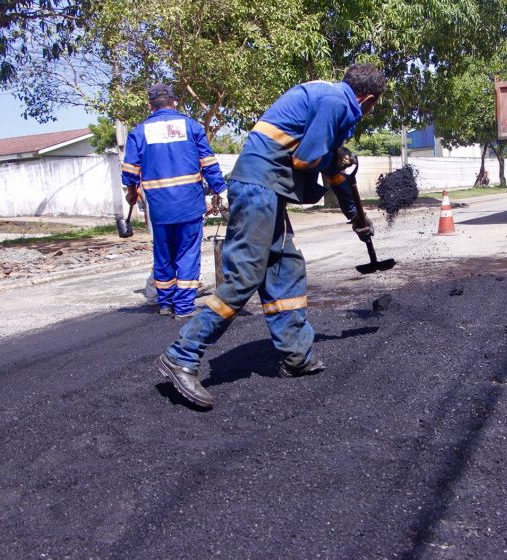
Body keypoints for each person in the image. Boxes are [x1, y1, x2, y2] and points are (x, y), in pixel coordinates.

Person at [155, 64, 387, 409]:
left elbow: (335, 173)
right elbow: (308, 158)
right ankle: (182, 355)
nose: (369, 111)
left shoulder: (330, 101)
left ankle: (296, 357)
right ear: (367, 98)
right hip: (257, 188)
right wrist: (333, 156)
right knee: (245, 275)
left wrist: (356, 217)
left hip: (270, 191)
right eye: (373, 106)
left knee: (285, 267)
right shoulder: (336, 102)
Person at [121, 84, 227, 319]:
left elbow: (129, 171)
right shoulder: (192, 127)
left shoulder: (139, 133)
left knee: (163, 254)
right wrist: (220, 190)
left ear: (150, 106)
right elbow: (208, 164)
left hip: (159, 207)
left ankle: (166, 303)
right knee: (187, 253)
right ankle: (184, 307)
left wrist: (131, 192)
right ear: (175, 102)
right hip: (189, 205)